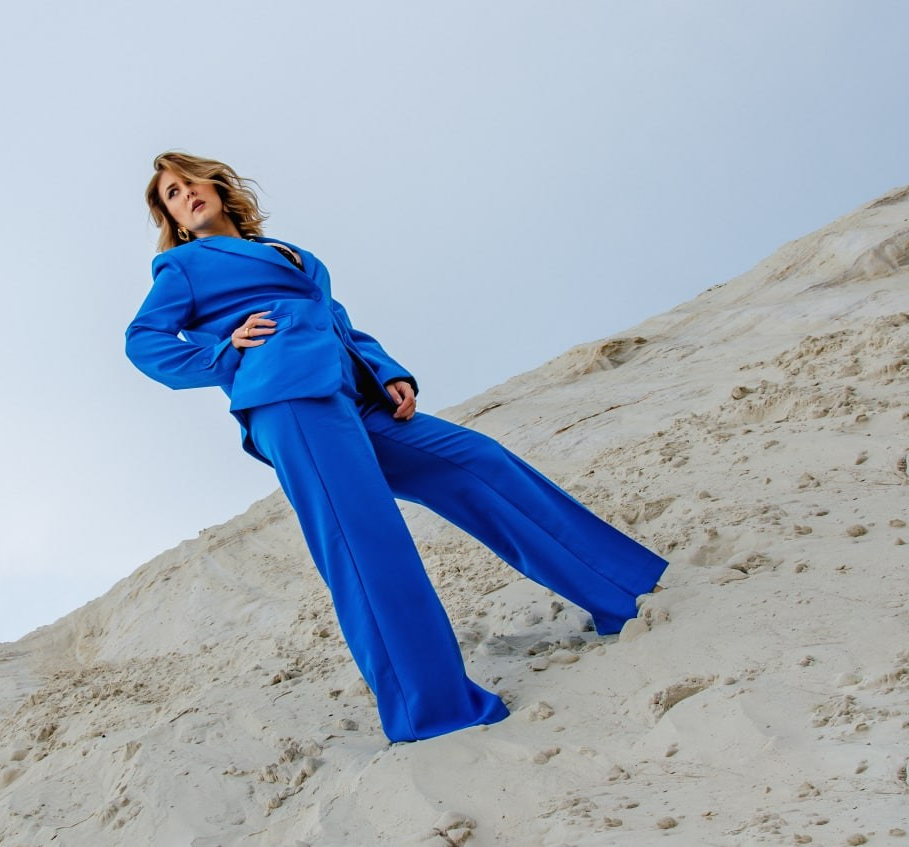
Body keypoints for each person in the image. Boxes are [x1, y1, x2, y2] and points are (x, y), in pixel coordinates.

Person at [125, 151, 668, 743]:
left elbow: (338, 322)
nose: (184, 196)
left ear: (217, 185)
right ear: (174, 221)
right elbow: (143, 341)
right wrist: (223, 352)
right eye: (171, 195)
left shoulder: (289, 253)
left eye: (188, 183)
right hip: (287, 397)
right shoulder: (184, 268)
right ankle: (429, 707)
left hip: (355, 398)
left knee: (474, 462)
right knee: (366, 540)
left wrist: (385, 371)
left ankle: (618, 587)